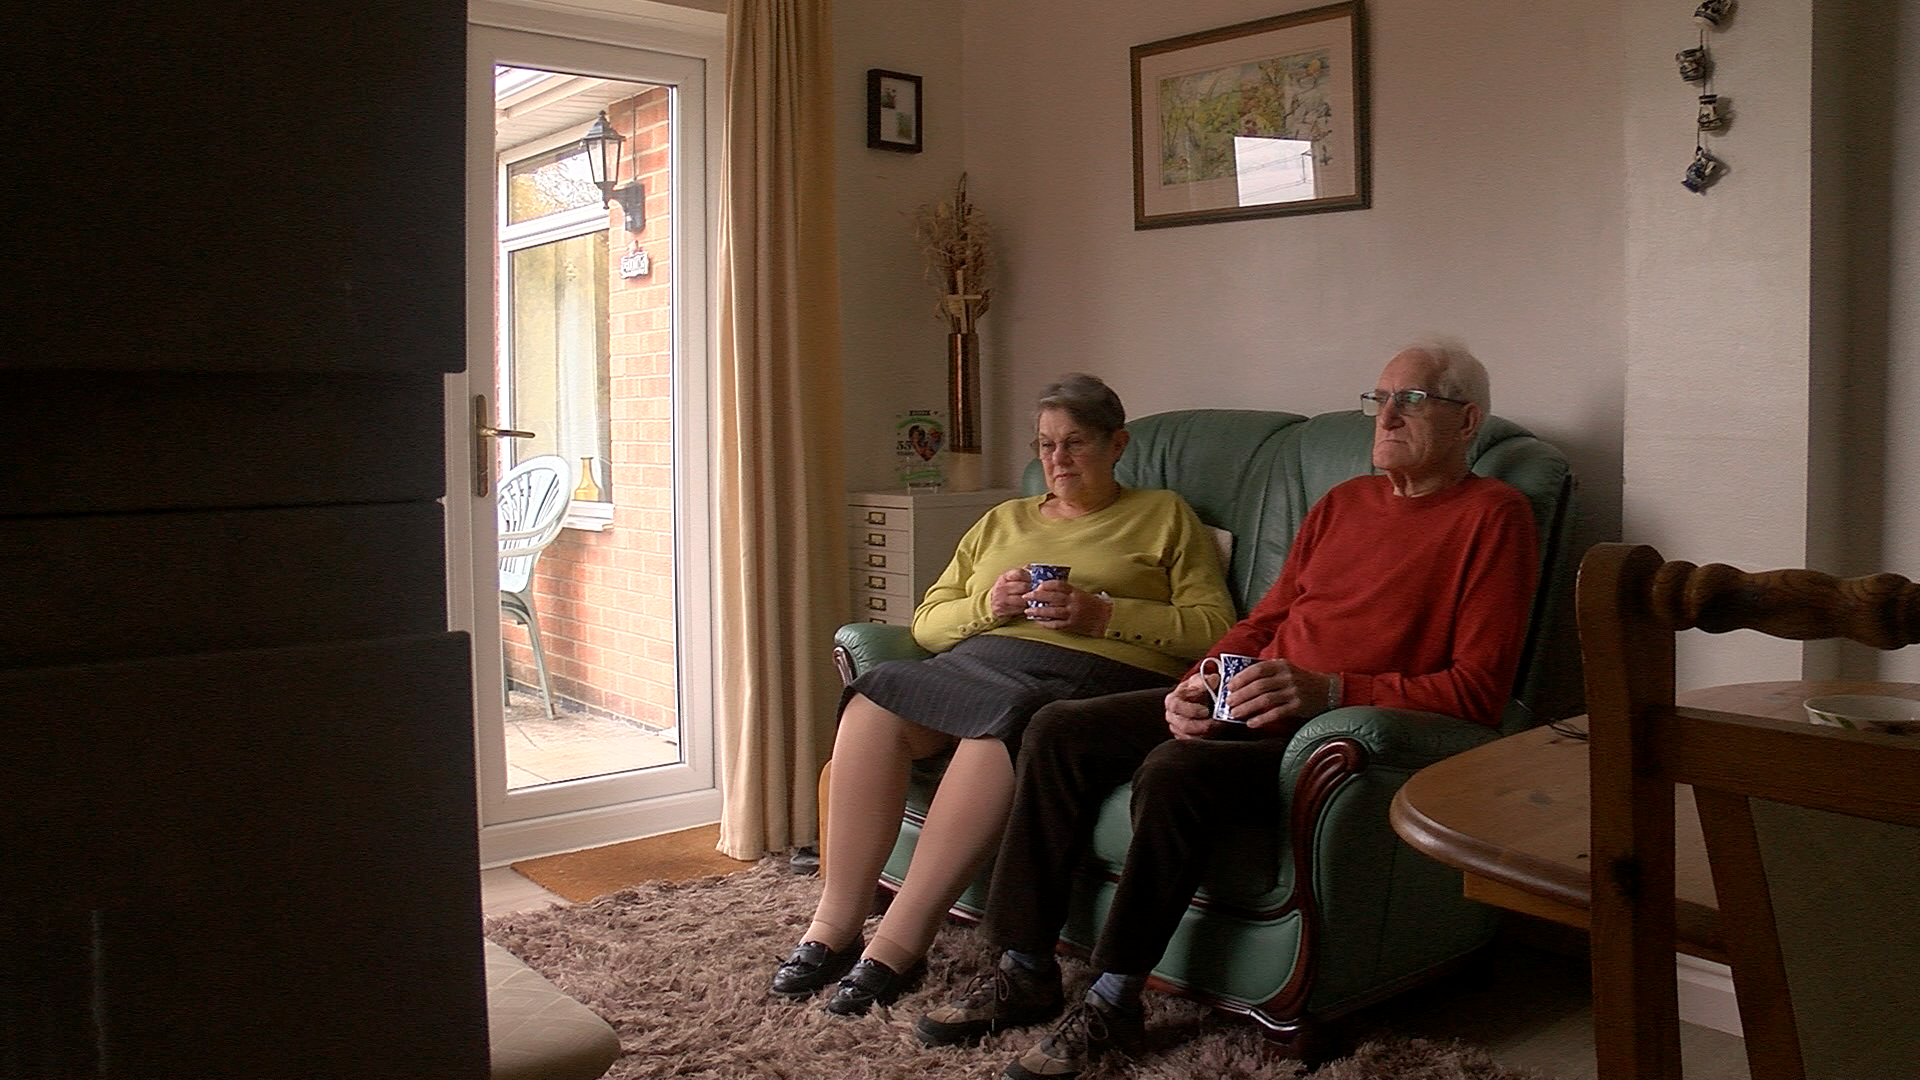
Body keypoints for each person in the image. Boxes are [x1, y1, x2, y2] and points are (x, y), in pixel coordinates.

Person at [914, 342, 1541, 1080]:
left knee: (1176, 770)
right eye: (1378, 399)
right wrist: (1197, 680)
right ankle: (1025, 968)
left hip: (1321, 729)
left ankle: (1115, 999)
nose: (1386, 416)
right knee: (1057, 730)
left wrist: (1331, 693)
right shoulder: (1342, 502)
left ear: (1466, 421)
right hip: (1244, 693)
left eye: (1410, 400)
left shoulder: (1495, 517)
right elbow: (1264, 620)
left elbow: (1479, 691)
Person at [769, 373, 1236, 1016]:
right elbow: (929, 621)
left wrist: (1103, 615)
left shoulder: (1163, 517)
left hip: (1087, 678)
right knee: (876, 701)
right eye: (1045, 445)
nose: (1057, 460)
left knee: (1006, 726)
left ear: (1117, 445)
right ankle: (835, 927)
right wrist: (989, 605)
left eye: (1075, 443)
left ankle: (898, 947)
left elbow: (1215, 628)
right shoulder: (1001, 521)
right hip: (980, 659)